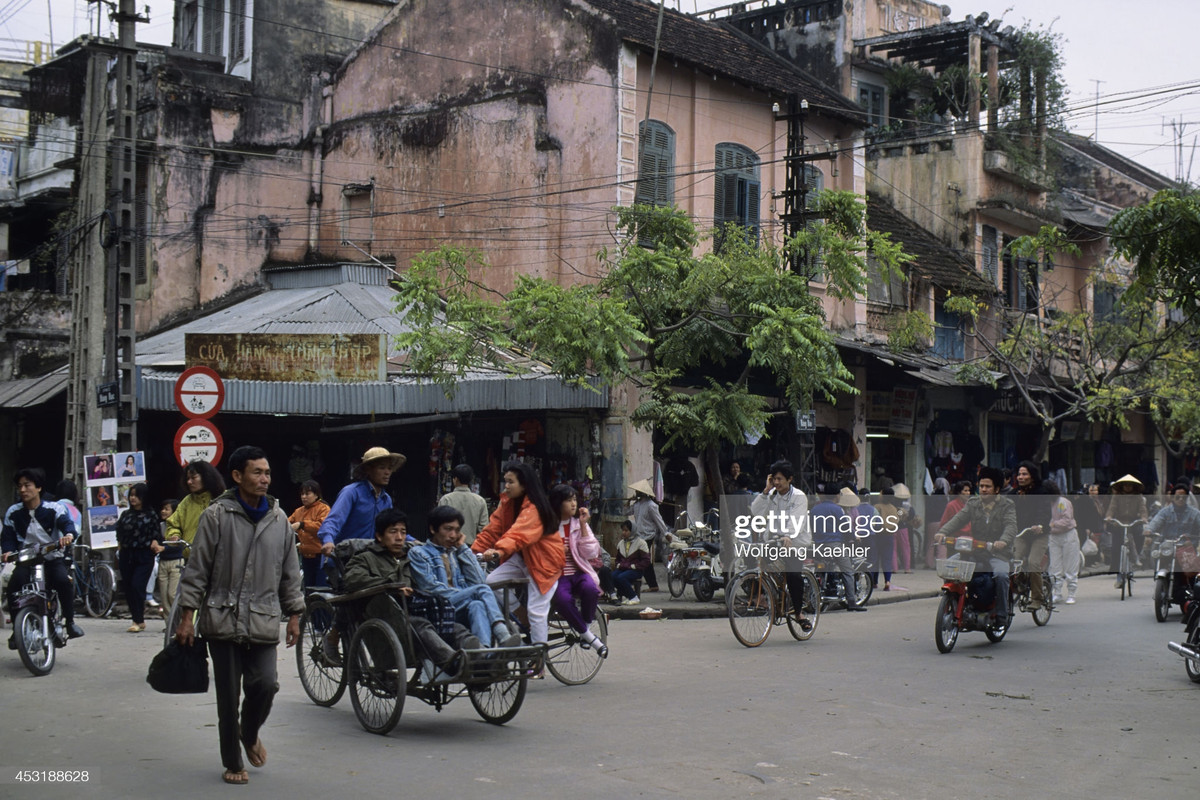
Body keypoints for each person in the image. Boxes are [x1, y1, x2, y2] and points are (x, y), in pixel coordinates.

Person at [175, 446, 304, 787]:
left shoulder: (279, 520)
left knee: (267, 683)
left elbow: (291, 573)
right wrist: (186, 616)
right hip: (221, 617)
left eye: (267, 473)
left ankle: (250, 732)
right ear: (237, 476)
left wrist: (294, 614)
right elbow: (197, 569)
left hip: (262, 617)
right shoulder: (216, 516)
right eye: (257, 472)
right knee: (228, 695)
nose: (265, 479)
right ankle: (232, 760)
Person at [343, 509, 480, 682]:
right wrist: (391, 585)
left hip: (419, 608)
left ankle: (481, 658)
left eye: (403, 532)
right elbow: (352, 579)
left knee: (453, 626)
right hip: (389, 614)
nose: (399, 537)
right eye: (393, 532)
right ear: (379, 536)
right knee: (422, 625)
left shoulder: (412, 555)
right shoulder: (366, 558)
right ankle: (453, 663)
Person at [472, 462, 563, 653]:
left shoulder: (534, 509)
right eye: (505, 482)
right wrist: (471, 552)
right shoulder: (507, 504)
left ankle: (539, 661)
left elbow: (518, 533)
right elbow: (492, 530)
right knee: (491, 581)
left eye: (510, 482)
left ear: (524, 485)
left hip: (543, 561)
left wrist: (498, 551)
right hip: (521, 558)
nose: (506, 486)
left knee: (537, 612)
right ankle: (520, 614)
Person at [409, 505, 521, 648]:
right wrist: (468, 593)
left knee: (477, 604)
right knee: (479, 591)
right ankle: (502, 633)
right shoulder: (419, 553)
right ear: (433, 529)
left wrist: (463, 549)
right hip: (438, 606)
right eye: (448, 529)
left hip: (460, 606)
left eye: (456, 530)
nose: (453, 535)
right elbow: (431, 588)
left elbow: (479, 580)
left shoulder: (457, 552)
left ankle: (484, 651)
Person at [2, 468, 84, 646]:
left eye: (27, 485)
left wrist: (68, 535)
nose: (23, 490)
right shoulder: (13, 512)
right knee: (14, 585)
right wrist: (7, 552)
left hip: (52, 558)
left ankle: (70, 623)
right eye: (20, 486)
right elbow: (7, 538)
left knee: (62, 581)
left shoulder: (54, 508)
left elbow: (67, 525)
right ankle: (17, 631)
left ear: (38, 488)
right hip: (26, 561)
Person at [934, 466, 1016, 624]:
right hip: (975, 551)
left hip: (998, 553)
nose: (983, 489)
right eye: (981, 486)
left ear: (997, 489)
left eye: (988, 487)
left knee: (1001, 576)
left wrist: (1003, 541)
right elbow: (958, 519)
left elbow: (1011, 526)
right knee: (951, 567)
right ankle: (955, 604)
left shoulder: (1007, 505)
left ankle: (1001, 614)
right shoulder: (973, 503)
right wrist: (942, 532)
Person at [750, 460, 815, 629]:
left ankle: (799, 613)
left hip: (795, 542)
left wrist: (788, 535)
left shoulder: (799, 496)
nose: (776, 483)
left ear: (790, 479)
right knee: (752, 561)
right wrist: (765, 491)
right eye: (774, 479)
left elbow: (797, 519)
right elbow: (755, 511)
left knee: (793, 575)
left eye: (780, 479)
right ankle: (766, 598)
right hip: (774, 540)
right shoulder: (771, 495)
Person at [547, 484, 607, 656]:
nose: (573, 504)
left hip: (579, 572)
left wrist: (582, 526)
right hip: (558, 576)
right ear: (558, 503)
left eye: (574, 500)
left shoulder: (579, 524)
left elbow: (591, 553)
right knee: (563, 600)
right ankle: (589, 637)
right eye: (568, 500)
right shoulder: (549, 525)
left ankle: (585, 628)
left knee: (590, 589)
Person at [318, 446, 405, 555]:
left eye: (389, 468)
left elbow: (392, 526)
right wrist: (328, 541)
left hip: (370, 559)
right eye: (382, 468)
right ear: (368, 470)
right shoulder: (351, 492)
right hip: (344, 557)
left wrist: (413, 541)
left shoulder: (385, 499)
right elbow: (333, 520)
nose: (387, 472)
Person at [1144, 480, 1200, 607]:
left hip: (1187, 548)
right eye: (1177, 496)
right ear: (1172, 496)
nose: (1180, 499)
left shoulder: (1194, 513)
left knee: (1192, 573)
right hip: (1167, 546)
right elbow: (1155, 522)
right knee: (1158, 559)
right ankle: (1162, 587)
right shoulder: (1165, 511)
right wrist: (1148, 531)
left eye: (1183, 496)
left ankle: (1194, 595)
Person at [116, 484, 160, 633]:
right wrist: (120, 546)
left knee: (137, 585)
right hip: (127, 554)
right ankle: (138, 619)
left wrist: (154, 543)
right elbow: (119, 532)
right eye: (131, 495)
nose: (133, 498)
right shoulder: (126, 515)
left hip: (144, 554)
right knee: (128, 587)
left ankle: (137, 619)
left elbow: (156, 534)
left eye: (136, 495)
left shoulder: (151, 515)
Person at [1007, 461, 1050, 610]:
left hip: (1039, 535)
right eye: (1019, 474)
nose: (1021, 477)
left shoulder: (1041, 491)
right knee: (1014, 561)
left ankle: (1037, 598)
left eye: (1024, 474)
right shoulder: (1013, 494)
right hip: (1021, 534)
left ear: (1032, 476)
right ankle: (1022, 584)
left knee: (1033, 563)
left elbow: (1044, 512)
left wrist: (1039, 525)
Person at [809, 489, 861, 610]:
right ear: (836, 495)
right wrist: (854, 537)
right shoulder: (837, 509)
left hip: (817, 545)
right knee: (847, 571)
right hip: (834, 545)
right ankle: (852, 602)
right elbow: (845, 527)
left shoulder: (814, 509)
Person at [625, 479, 669, 592]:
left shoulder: (651, 506)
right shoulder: (637, 505)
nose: (636, 493)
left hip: (648, 535)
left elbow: (659, 521)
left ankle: (642, 583)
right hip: (639, 535)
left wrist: (666, 533)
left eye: (637, 491)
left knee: (640, 558)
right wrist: (628, 502)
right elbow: (625, 512)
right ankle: (651, 584)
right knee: (644, 560)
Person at [1106, 474, 1148, 586]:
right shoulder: (1117, 496)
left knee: (1140, 535)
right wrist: (1109, 517)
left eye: (1130, 485)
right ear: (1122, 486)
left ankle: (1136, 557)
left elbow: (1142, 509)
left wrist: (1144, 518)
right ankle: (1119, 575)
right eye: (1126, 485)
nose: (1128, 487)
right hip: (1119, 523)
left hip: (1133, 522)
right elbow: (1112, 508)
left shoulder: (1138, 496)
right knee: (1116, 547)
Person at [289, 479, 331, 588]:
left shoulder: (324, 509)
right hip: (305, 557)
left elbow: (322, 527)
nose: (304, 497)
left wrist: (302, 524)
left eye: (307, 494)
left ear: (316, 494)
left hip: (321, 556)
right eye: (302, 494)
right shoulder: (298, 511)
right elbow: (287, 523)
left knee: (321, 589)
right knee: (308, 588)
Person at [1044, 480, 1080, 605]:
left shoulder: (1062, 502)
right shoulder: (1047, 503)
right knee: (1055, 566)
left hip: (1068, 535)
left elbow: (1067, 520)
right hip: (1053, 536)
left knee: (1070, 565)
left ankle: (1071, 593)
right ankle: (1057, 593)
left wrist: (1052, 524)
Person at [437, 464, 489, 545]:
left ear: (455, 479)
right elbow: (484, 529)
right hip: (471, 548)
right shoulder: (480, 501)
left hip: (449, 546)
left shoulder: (446, 499)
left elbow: (438, 524)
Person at [613, 520, 649, 605]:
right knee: (612, 576)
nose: (624, 533)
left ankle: (634, 597)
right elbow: (617, 559)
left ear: (632, 531)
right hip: (623, 568)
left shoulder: (641, 543)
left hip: (636, 570)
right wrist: (618, 564)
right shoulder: (621, 543)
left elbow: (646, 561)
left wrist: (634, 566)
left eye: (626, 531)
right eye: (623, 530)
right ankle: (628, 596)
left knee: (621, 578)